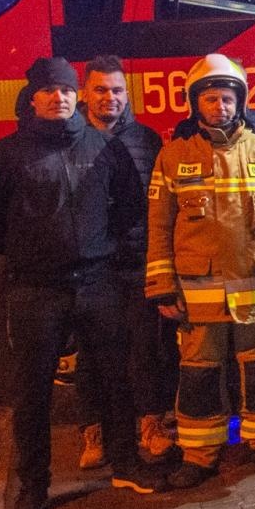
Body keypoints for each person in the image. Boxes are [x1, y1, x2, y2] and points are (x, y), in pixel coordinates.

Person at [0, 57, 158, 509]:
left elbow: (129, 207)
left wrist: (100, 247)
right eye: (50, 91)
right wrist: (25, 253)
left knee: (114, 378)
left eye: (66, 91)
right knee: (32, 393)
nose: (60, 98)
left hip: (97, 284)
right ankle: (33, 488)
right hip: (35, 291)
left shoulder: (105, 148)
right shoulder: (2, 156)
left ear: (75, 95)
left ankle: (126, 464)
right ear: (34, 98)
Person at [146, 54, 255, 488]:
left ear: (241, 102)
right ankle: (199, 453)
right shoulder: (173, 157)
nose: (220, 106)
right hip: (197, 295)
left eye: (227, 98)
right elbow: (159, 223)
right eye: (212, 99)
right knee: (198, 373)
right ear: (195, 104)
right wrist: (162, 286)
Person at [80, 56, 173, 465]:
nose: (110, 98)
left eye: (117, 90)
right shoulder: (74, 139)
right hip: (90, 268)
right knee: (91, 350)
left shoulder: (147, 140)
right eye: (101, 90)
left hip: (137, 261)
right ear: (86, 94)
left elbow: (162, 204)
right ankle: (93, 433)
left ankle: (151, 423)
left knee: (144, 348)